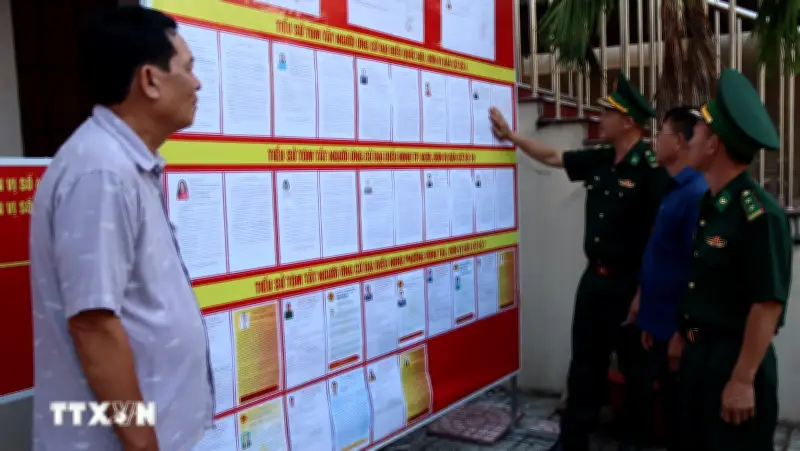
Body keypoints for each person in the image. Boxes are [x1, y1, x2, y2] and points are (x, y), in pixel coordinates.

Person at [29, 6, 212, 451]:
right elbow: (93, 324)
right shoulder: (101, 170)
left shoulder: (125, 163)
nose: (197, 83)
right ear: (150, 80)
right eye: (188, 68)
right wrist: (142, 442)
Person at [490, 72, 669, 451]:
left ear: (628, 122)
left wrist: (644, 291)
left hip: (630, 285)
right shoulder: (602, 158)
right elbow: (553, 156)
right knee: (586, 361)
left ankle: (635, 442)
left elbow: (659, 236)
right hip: (595, 281)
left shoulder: (650, 169)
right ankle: (573, 439)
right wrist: (512, 137)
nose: (600, 118)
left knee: (636, 368)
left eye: (608, 113)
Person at [676, 68, 791, 450]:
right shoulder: (711, 205)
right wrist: (683, 334)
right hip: (700, 357)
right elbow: (704, 286)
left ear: (713, 144)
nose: (689, 139)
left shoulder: (759, 214)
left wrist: (742, 379)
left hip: (734, 363)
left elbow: (767, 303)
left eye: (697, 131)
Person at [626, 107, 708, 450]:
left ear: (679, 142)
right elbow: (661, 256)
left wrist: (680, 334)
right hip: (658, 322)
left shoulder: (695, 194)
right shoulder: (673, 188)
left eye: (660, 134)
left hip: (677, 331)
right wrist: (646, 308)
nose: (654, 141)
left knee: (682, 419)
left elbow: (696, 271)